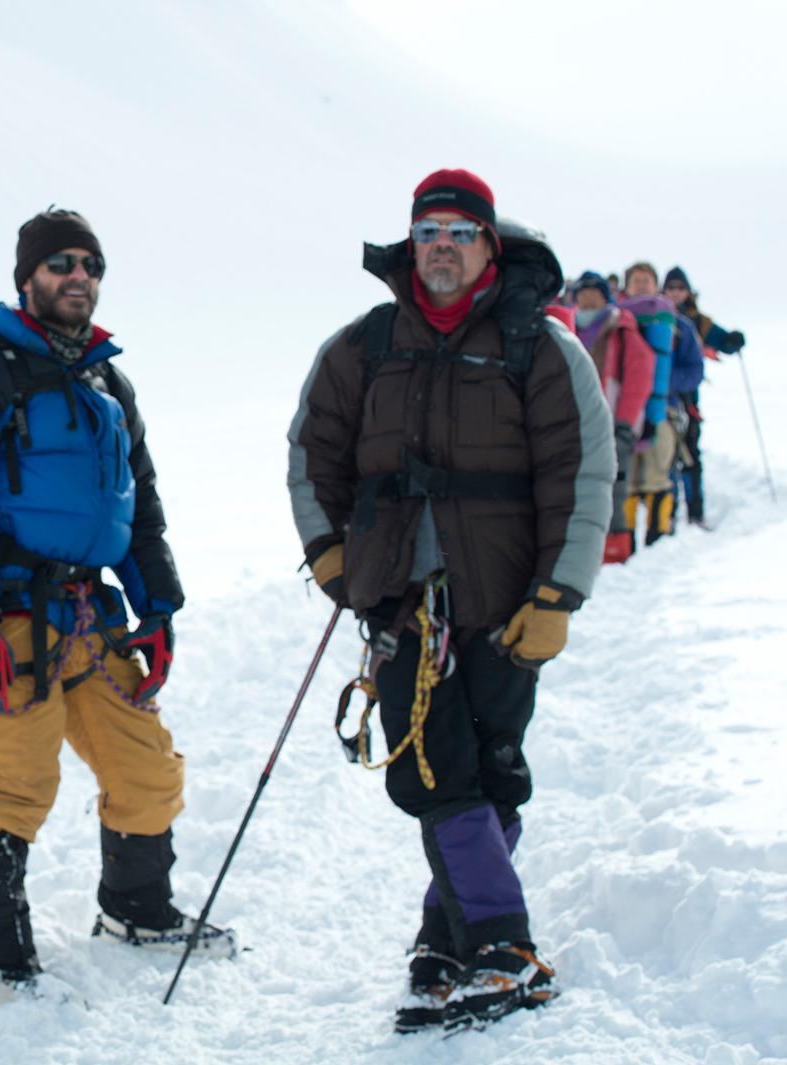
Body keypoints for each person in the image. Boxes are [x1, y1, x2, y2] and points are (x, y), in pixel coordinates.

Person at [286, 169, 613, 1032]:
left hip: (507, 601)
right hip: (401, 601)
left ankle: (447, 941)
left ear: (488, 245)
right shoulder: (363, 345)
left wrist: (558, 594)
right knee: (432, 770)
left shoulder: (541, 349)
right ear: (410, 241)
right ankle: (503, 942)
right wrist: (328, 555)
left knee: (491, 769)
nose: (441, 245)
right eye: (427, 229)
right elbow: (310, 451)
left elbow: (582, 476)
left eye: (459, 231)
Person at [0, 207, 234, 1016]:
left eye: (89, 263)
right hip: (9, 616)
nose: (77, 276)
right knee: (11, 784)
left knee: (147, 770)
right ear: (28, 278)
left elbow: (141, 504)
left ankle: (136, 909)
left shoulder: (107, 380)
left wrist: (159, 606)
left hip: (93, 617)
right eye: (60, 263)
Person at [571, 271, 656, 562]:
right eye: (583, 293)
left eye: (594, 293)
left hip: (612, 421)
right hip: (574, 422)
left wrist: (625, 422)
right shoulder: (567, 328)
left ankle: (616, 547)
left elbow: (639, 376)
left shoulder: (621, 329)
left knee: (614, 485)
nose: (588, 298)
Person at [663, 266, 747, 527]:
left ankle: (695, 512)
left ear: (687, 291)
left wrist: (732, 341)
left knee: (690, 453)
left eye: (680, 288)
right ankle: (667, 515)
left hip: (688, 397)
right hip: (658, 397)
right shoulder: (654, 314)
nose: (676, 293)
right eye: (671, 288)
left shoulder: (698, 321)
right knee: (664, 457)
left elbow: (722, 341)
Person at [620, 262, 680, 545]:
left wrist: (665, 382)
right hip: (624, 410)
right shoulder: (616, 321)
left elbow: (692, 367)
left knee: (657, 475)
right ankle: (625, 541)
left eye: (647, 281)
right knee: (628, 478)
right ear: (627, 287)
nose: (642, 285)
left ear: (655, 285)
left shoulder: (676, 324)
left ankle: (659, 539)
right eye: (636, 281)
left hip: (663, 410)